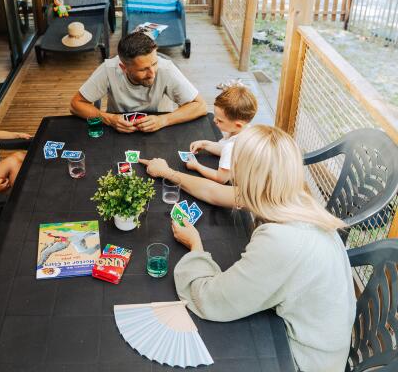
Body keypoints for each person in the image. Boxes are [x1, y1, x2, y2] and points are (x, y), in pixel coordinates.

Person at [140, 125, 356, 372]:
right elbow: (213, 191)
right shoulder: (292, 197)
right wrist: (168, 173)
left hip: (301, 360)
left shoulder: (281, 241)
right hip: (322, 342)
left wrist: (195, 245)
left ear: (249, 177)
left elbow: (209, 300)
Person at [70, 32, 207, 133]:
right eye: (143, 69)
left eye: (154, 63)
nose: (152, 73)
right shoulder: (108, 69)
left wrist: (163, 120)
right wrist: (109, 119)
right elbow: (75, 105)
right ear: (124, 68)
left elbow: (200, 106)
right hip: (116, 129)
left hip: (161, 127)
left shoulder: (166, 69)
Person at [187, 85, 257, 184]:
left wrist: (196, 166)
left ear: (237, 125)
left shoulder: (231, 147)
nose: (214, 120)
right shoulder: (245, 130)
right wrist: (204, 144)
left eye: (220, 120)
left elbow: (221, 178)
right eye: (215, 116)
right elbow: (223, 149)